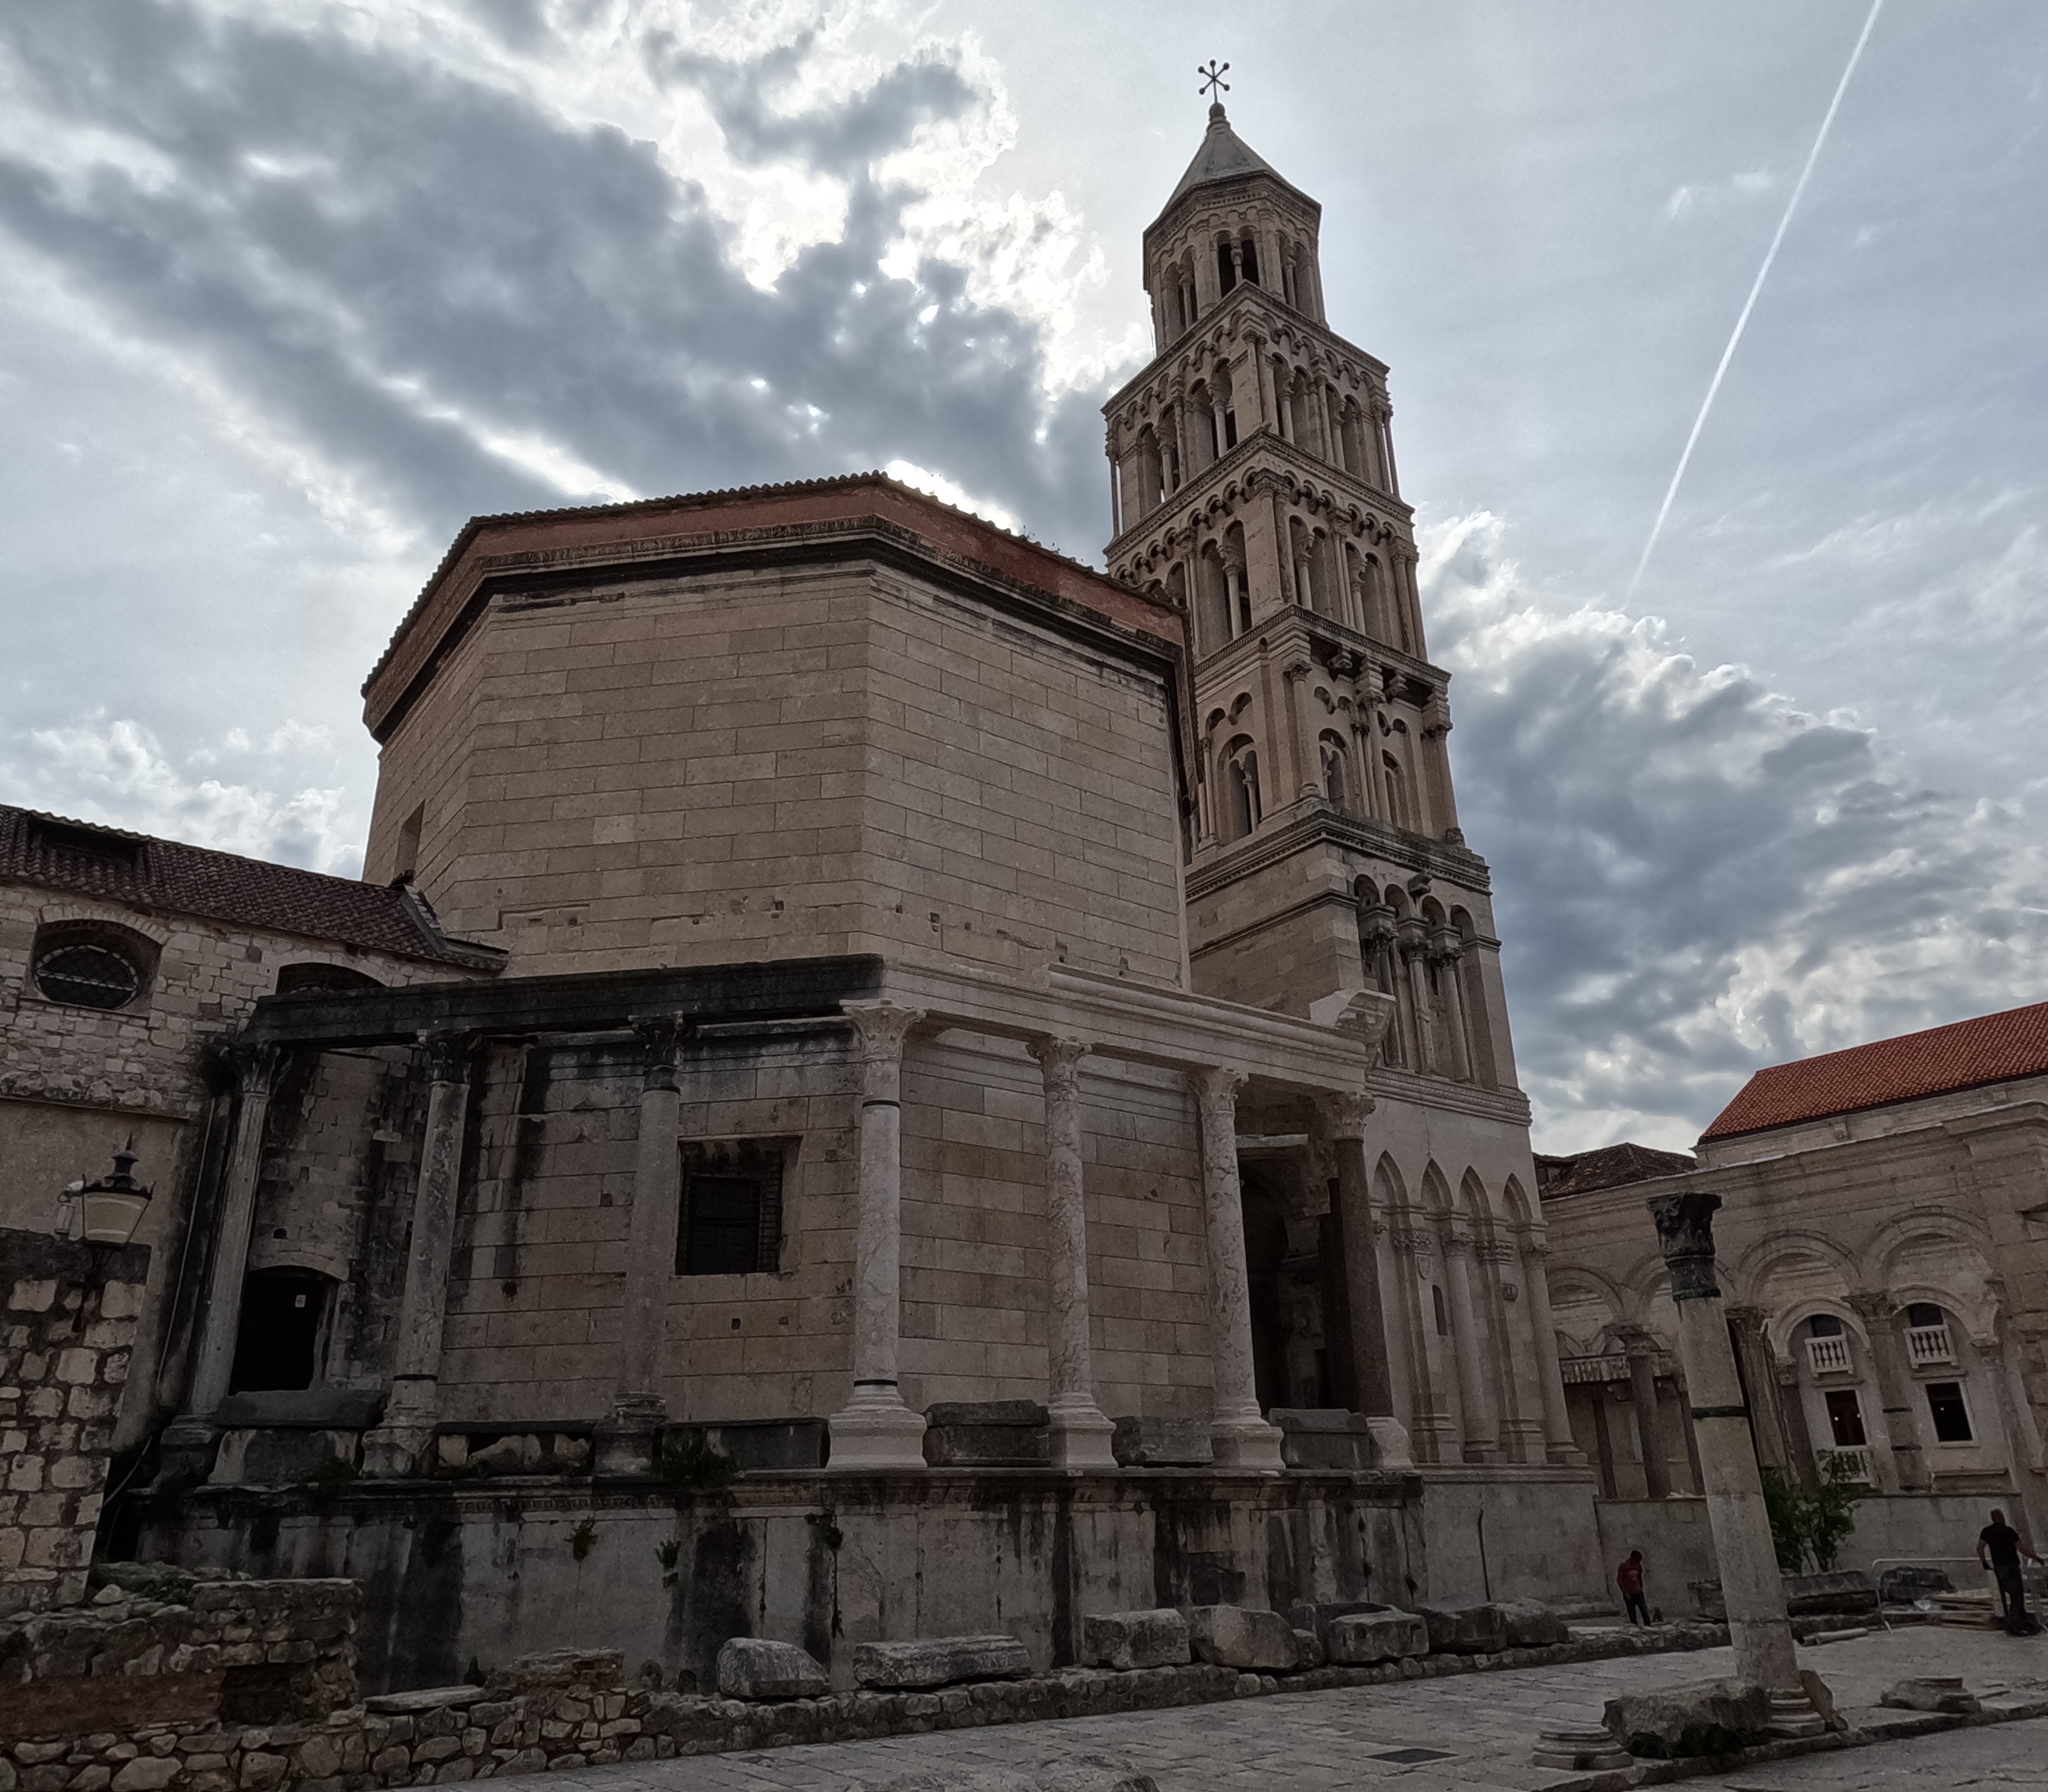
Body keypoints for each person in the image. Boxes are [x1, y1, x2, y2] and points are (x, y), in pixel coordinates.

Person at [1977, 1508, 2043, 1635]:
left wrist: (1984, 1562)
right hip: (2011, 1566)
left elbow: (1980, 1547)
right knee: (2017, 1595)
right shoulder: (2009, 1531)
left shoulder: (1988, 1532)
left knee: (2011, 1594)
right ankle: (2014, 1624)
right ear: (2000, 1518)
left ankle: (2016, 1622)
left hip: (2000, 1568)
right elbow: (2022, 1549)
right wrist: (2036, 1558)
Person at [1617, 1549, 1650, 1626]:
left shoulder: (1639, 1567)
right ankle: (1635, 1631)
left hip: (1639, 1593)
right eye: (1638, 1560)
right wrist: (1626, 1593)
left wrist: (1641, 1589)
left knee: (1645, 1612)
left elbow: (1640, 1578)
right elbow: (1620, 1581)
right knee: (1632, 1614)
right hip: (1629, 1594)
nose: (1639, 1562)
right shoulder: (1624, 1567)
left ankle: (1649, 1628)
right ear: (1633, 1559)